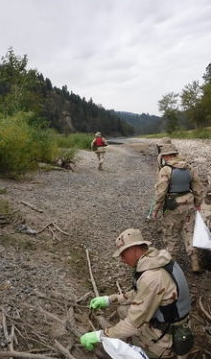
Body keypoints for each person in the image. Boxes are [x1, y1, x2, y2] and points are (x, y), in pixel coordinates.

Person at [80, 228, 193, 359]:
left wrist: (100, 335)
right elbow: (141, 294)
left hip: (168, 336)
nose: (122, 259)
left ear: (134, 249)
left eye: (123, 254)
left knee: (128, 338)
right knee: (123, 309)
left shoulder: (152, 277)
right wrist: (110, 299)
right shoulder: (157, 260)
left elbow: (131, 326)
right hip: (173, 321)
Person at [151, 143, 204, 273]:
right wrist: (198, 203)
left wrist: (156, 209)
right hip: (189, 203)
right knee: (189, 232)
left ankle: (172, 265)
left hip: (172, 205)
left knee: (171, 234)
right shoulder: (189, 168)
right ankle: (195, 262)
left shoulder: (166, 170)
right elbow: (198, 188)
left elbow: (161, 192)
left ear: (166, 156)